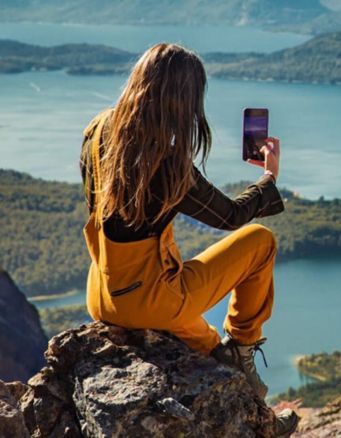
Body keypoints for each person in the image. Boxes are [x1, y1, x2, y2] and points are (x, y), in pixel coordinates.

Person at [79, 43, 297, 436]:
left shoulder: (97, 132)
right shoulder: (166, 159)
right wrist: (268, 178)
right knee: (260, 241)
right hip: (153, 302)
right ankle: (245, 349)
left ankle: (259, 417)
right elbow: (230, 216)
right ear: (185, 99)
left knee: (210, 345)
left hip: (102, 296)